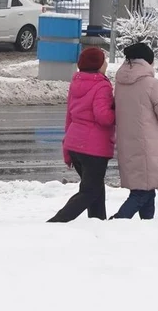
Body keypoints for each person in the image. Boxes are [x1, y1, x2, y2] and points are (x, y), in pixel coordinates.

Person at [48, 48, 115, 222]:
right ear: (98, 64)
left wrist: (66, 148)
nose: (106, 63)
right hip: (94, 148)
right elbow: (104, 117)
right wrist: (118, 111)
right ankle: (56, 222)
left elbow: (69, 115)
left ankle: (98, 222)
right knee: (90, 191)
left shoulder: (76, 81)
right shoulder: (102, 85)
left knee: (95, 189)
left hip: (74, 145)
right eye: (104, 60)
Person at [112, 42, 158, 220]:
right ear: (148, 61)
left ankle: (147, 228)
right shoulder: (152, 85)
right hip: (148, 146)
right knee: (142, 193)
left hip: (128, 144)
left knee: (147, 191)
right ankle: (116, 223)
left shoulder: (120, 83)